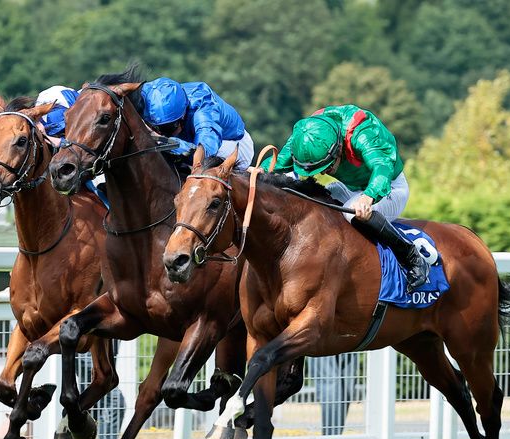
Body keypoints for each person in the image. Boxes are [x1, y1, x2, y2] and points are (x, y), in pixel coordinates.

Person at [263, 105, 429, 292]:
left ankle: (412, 257)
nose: (324, 172)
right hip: (349, 189)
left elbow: (382, 168)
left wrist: (369, 196)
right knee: (315, 201)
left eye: (326, 166)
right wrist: (259, 171)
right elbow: (278, 164)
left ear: (338, 148)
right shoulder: (309, 132)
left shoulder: (363, 132)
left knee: (353, 212)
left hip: (389, 187)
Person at [139, 77, 254, 171]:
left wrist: (162, 140)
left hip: (233, 145)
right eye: (158, 127)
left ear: (183, 114)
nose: (162, 131)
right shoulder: (154, 95)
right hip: (192, 140)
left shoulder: (203, 111)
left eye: (168, 127)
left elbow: (206, 151)